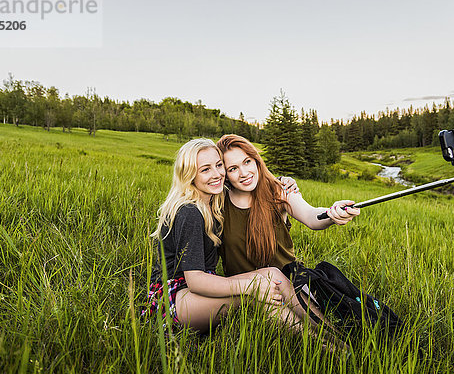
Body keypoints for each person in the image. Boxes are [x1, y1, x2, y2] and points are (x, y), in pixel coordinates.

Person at [145, 138, 316, 332]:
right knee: (255, 294)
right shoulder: (189, 211)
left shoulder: (214, 202)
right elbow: (195, 280)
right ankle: (325, 347)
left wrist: (284, 182)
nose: (217, 174)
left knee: (272, 275)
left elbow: (251, 185)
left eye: (219, 165)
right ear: (190, 175)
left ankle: (331, 334)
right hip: (174, 298)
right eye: (205, 169)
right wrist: (250, 287)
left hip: (198, 290)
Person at [216, 134, 360, 277]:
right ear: (225, 174)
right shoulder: (218, 203)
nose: (244, 173)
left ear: (256, 161)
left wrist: (332, 213)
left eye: (247, 162)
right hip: (241, 292)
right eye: (233, 169)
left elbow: (311, 216)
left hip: (287, 284)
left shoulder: (278, 190)